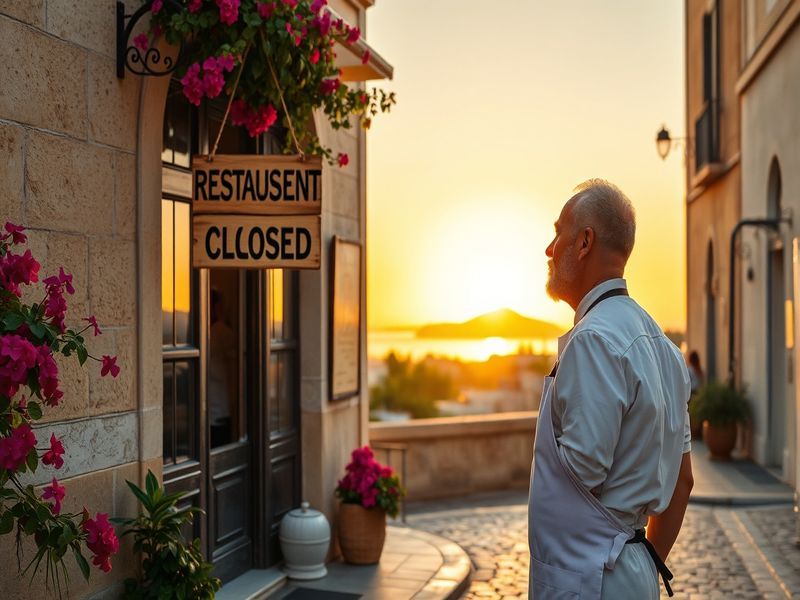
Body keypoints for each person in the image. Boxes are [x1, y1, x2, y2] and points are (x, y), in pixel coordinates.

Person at [528, 180, 694, 599]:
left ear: (584, 242)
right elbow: (683, 481)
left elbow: (580, 477)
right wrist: (641, 567)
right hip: (628, 571)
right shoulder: (665, 349)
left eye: (558, 233)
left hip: (589, 578)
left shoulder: (593, 340)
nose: (549, 249)